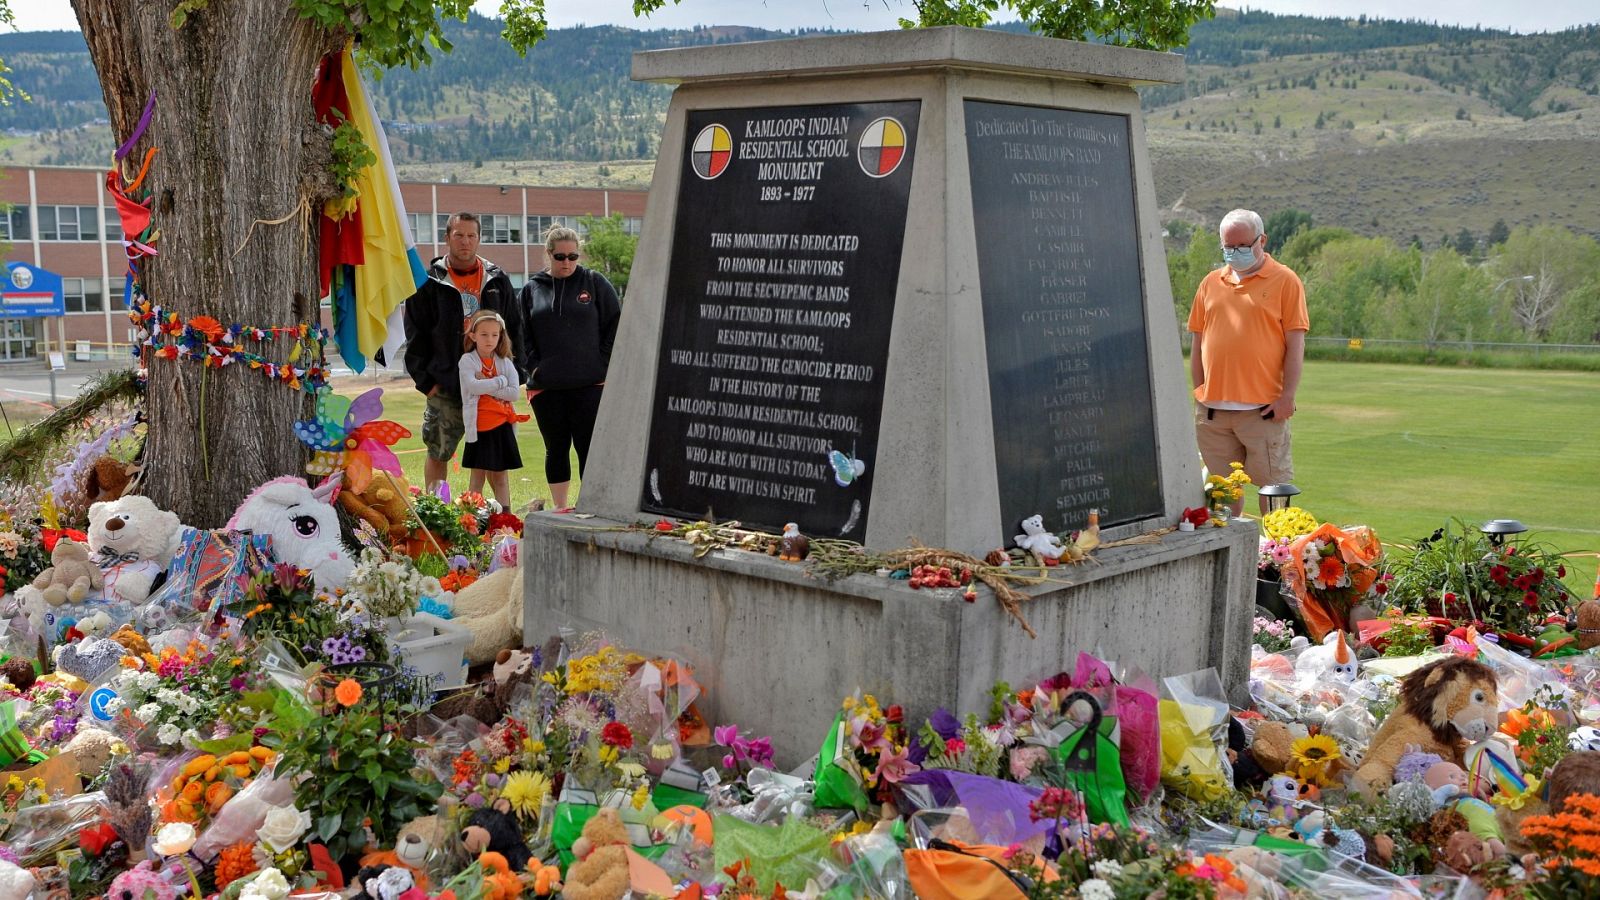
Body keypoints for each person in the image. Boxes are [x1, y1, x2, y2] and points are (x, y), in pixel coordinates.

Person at [1187, 208, 1308, 516]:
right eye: (1228, 247)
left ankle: (1273, 559)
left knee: (1274, 491)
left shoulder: (1285, 281)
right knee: (1223, 499)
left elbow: (1295, 344)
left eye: (1242, 246)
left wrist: (1287, 398)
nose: (1234, 252)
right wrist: (1200, 389)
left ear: (1261, 240)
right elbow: (1198, 340)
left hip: (1263, 412)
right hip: (1213, 415)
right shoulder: (1210, 283)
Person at [402, 212, 524, 493]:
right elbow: (415, 333)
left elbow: (515, 328)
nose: (465, 242)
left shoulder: (497, 279)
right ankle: (436, 513)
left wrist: (517, 372)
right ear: (447, 238)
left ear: (479, 239)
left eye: (471, 236)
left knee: (494, 455)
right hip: (446, 384)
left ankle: (498, 518)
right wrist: (427, 382)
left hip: (491, 384)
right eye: (458, 235)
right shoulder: (429, 281)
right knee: (438, 450)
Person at [519, 225, 621, 511]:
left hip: (590, 385)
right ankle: (561, 508)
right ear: (549, 254)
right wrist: (535, 368)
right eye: (560, 256)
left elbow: (615, 323)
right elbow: (520, 334)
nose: (566, 262)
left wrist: (601, 362)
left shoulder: (594, 282)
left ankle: (590, 507)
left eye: (572, 256)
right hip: (547, 387)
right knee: (556, 449)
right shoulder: (531, 290)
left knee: (589, 449)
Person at [458, 310, 528, 508]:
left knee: (501, 478)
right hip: (479, 428)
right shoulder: (467, 361)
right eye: (484, 334)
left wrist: (490, 382)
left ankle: (505, 521)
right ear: (473, 336)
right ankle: (471, 520)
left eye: (494, 335)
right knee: (477, 477)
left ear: (500, 336)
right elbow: (473, 387)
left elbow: (514, 393)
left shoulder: (505, 362)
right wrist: (500, 382)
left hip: (502, 426)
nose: (489, 339)